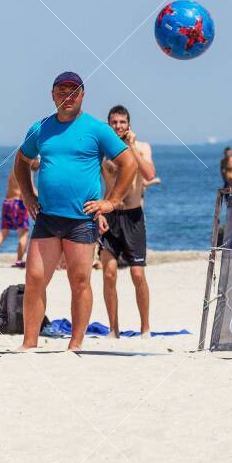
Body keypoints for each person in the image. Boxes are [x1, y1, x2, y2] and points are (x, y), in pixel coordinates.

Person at [14, 72, 138, 350]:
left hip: (82, 219)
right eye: (62, 91)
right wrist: (28, 194)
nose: (67, 96)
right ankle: (29, 343)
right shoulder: (40, 128)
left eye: (73, 91)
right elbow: (21, 161)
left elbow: (129, 164)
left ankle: (75, 344)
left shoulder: (97, 129)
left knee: (79, 280)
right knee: (34, 279)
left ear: (82, 95)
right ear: (52, 94)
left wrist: (111, 201)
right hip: (47, 217)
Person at [99, 105, 155, 338]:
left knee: (137, 275)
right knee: (109, 273)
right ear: (109, 124)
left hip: (133, 216)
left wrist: (131, 147)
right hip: (110, 216)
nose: (118, 126)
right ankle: (114, 329)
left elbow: (150, 174)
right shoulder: (103, 151)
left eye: (122, 122)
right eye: (114, 122)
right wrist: (98, 211)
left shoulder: (141, 147)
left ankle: (145, 327)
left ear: (129, 125)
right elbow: (92, 180)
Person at [0, 164, 35, 268]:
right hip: (19, 204)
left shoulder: (15, 169)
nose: (39, 165)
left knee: (3, 233)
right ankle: (19, 261)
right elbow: (31, 189)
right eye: (38, 161)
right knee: (23, 233)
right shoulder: (27, 170)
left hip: (8, 203)